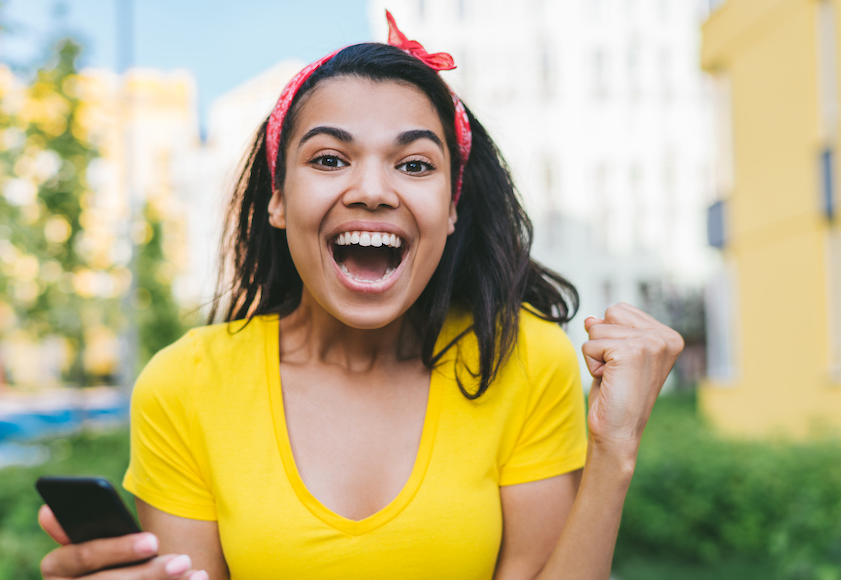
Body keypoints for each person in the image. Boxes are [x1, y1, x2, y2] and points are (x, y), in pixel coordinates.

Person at [38, 12, 682, 580]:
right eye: (328, 159)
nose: (372, 190)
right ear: (278, 199)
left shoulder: (522, 357)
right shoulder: (185, 385)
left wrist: (614, 450)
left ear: (451, 208)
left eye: (415, 164)